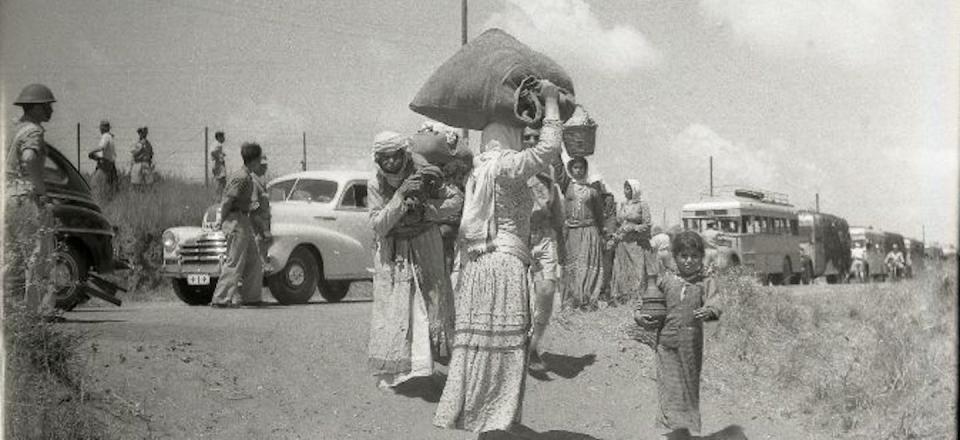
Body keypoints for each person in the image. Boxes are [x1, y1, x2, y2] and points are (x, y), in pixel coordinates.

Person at [434, 81, 563, 437]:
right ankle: (499, 422)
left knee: (479, 346)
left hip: (477, 267)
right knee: (506, 349)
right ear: (509, 136)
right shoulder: (506, 166)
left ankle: (484, 421)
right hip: (503, 265)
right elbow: (550, 148)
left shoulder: (479, 169)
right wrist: (550, 101)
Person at [367, 131, 460, 389]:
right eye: (383, 158)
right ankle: (394, 372)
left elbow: (456, 200)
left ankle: (426, 366)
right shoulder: (375, 182)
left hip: (425, 243)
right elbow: (378, 225)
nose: (389, 163)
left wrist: (428, 210)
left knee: (431, 301)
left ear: (402, 154)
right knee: (396, 307)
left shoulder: (425, 173)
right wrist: (400, 197)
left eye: (393, 157)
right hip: (393, 250)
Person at [635, 230, 722, 440]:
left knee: (689, 386)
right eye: (684, 256)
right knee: (671, 386)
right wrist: (640, 315)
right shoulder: (666, 280)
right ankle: (677, 431)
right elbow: (647, 302)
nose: (689, 261)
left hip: (691, 346)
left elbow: (715, 302)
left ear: (701, 257)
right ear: (675, 257)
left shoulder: (705, 281)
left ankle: (683, 430)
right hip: (666, 343)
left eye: (694, 256)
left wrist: (709, 311)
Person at [5, 84, 61, 321]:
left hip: (8, 198)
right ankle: (35, 315)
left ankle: (9, 312)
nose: (51, 110)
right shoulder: (33, 132)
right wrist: (41, 191)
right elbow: (29, 158)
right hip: (27, 198)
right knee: (38, 257)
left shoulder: (15, 129)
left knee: (11, 258)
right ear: (37, 107)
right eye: (47, 105)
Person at [523, 126, 565, 372]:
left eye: (535, 138)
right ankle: (524, 348)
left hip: (545, 236)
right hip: (519, 237)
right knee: (520, 295)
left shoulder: (549, 170)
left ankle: (533, 343)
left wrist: (563, 242)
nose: (530, 141)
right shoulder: (513, 166)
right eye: (525, 137)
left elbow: (557, 207)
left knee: (547, 289)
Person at [210, 142, 265, 308]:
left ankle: (251, 297)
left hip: (243, 219)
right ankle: (220, 298)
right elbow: (228, 200)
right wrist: (220, 220)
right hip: (236, 221)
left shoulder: (248, 177)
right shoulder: (240, 177)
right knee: (235, 260)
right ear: (253, 160)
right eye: (259, 159)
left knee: (254, 260)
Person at [560, 156, 605, 310]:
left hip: (589, 231)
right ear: (570, 170)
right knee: (572, 265)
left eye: (581, 168)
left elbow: (600, 215)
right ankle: (572, 300)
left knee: (586, 265)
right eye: (575, 168)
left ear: (586, 170)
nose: (578, 171)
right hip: (572, 231)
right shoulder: (567, 186)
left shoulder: (592, 191)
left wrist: (602, 233)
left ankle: (587, 299)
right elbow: (558, 167)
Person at [610, 180, 656, 305]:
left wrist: (633, 228)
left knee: (638, 269)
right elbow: (620, 223)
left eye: (629, 189)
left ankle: (637, 296)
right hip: (623, 243)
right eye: (625, 188)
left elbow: (647, 224)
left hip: (637, 243)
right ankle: (623, 296)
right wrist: (616, 235)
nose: (626, 191)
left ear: (635, 190)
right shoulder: (623, 205)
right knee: (622, 268)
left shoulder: (642, 205)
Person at [250, 155, 271, 268]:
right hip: (258, 227)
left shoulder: (262, 182)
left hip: (263, 226)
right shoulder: (253, 182)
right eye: (262, 166)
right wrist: (264, 229)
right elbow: (254, 209)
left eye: (265, 165)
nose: (264, 168)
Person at [89, 119, 119, 199]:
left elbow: (102, 147)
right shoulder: (110, 137)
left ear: (104, 128)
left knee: (95, 184)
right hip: (110, 164)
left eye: (101, 127)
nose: (100, 129)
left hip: (104, 165)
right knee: (109, 187)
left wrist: (91, 152)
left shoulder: (105, 136)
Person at [130, 126, 155, 191]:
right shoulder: (136, 143)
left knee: (148, 184)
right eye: (142, 133)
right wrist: (140, 146)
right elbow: (133, 153)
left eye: (145, 133)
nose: (143, 134)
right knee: (136, 184)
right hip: (137, 163)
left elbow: (151, 154)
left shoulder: (148, 144)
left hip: (146, 163)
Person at [212, 131, 227, 196]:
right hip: (218, 165)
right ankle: (218, 196)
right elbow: (213, 152)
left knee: (222, 180)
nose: (224, 138)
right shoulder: (218, 144)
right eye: (223, 137)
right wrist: (218, 157)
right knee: (219, 180)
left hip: (218, 165)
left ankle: (222, 196)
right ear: (219, 137)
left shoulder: (216, 144)